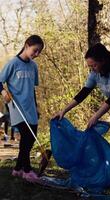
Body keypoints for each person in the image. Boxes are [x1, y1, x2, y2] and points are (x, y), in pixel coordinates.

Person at [0, 35, 44, 183]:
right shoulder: (13, 63)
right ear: (26, 45)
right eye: (35, 50)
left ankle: (17, 169)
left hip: (30, 108)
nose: (36, 54)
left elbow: (32, 89)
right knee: (26, 137)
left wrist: (36, 106)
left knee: (30, 139)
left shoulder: (34, 66)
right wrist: (4, 92)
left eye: (39, 52)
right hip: (16, 107)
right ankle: (27, 170)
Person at [54, 43, 110, 129]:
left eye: (94, 65)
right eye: (90, 66)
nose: (92, 69)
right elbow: (83, 93)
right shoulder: (95, 74)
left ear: (103, 60)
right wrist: (64, 110)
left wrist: (96, 116)